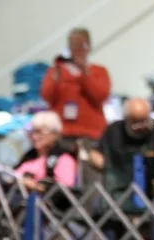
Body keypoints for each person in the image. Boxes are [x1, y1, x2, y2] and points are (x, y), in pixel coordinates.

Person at [40, 28, 111, 191]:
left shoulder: (99, 72)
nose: (77, 49)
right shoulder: (56, 72)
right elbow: (46, 95)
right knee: (59, 175)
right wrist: (57, 74)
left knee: (92, 177)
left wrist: (84, 74)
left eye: (81, 45)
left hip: (90, 136)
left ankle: (92, 212)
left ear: (89, 46)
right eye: (73, 45)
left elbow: (101, 94)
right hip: (63, 135)